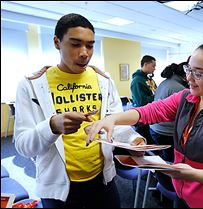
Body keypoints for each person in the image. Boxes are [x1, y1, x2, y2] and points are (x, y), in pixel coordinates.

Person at [86, 40, 203, 208]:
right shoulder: (186, 98)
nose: (189, 78)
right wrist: (113, 118)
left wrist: (194, 174)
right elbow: (150, 111)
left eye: (198, 73)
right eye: (188, 69)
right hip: (182, 192)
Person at [13, 13, 145, 208]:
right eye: (75, 44)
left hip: (103, 181)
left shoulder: (104, 81)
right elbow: (23, 146)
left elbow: (114, 123)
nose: (85, 53)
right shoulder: (31, 85)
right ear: (57, 42)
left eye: (90, 45)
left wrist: (133, 140)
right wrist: (52, 126)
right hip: (58, 189)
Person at [149, 61, 189, 162]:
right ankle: (164, 176)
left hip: (155, 128)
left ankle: (159, 174)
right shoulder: (179, 88)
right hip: (165, 131)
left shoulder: (165, 82)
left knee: (162, 157)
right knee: (169, 161)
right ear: (184, 75)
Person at [130, 55, 157, 144]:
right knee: (146, 144)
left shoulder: (149, 79)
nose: (154, 68)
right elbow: (141, 102)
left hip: (151, 114)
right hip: (142, 118)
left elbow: (155, 91)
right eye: (153, 66)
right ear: (145, 64)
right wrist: (157, 97)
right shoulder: (137, 81)